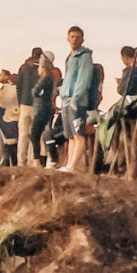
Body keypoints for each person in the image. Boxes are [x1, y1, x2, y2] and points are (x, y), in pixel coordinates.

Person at [59, 28, 95, 172]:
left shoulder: (84, 56)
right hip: (66, 99)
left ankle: (73, 166)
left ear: (82, 40)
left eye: (78, 37)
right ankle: (68, 164)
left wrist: (76, 97)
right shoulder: (70, 57)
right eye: (72, 36)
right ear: (68, 38)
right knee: (70, 135)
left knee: (78, 133)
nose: (74, 39)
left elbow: (83, 78)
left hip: (77, 100)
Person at [15, 47, 44, 166]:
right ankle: (33, 161)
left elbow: (18, 85)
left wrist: (20, 101)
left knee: (22, 134)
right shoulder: (43, 68)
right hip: (37, 105)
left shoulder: (23, 67)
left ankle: (21, 161)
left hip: (24, 104)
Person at [31, 50, 58, 167]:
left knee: (35, 134)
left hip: (41, 109)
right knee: (45, 134)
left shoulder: (45, 78)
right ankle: (51, 159)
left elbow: (35, 91)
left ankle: (37, 160)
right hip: (47, 108)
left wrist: (36, 94)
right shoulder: (51, 77)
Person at [0, 69, 20, 163]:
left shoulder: (8, 89)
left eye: (1, 74)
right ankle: (1, 159)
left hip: (5, 116)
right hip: (2, 116)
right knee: (1, 140)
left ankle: (3, 160)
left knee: (4, 140)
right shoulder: (6, 89)